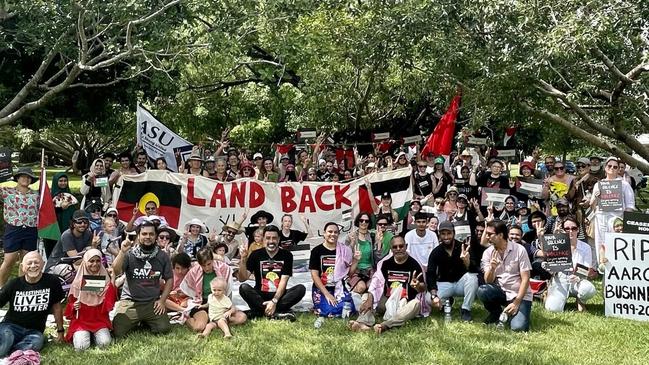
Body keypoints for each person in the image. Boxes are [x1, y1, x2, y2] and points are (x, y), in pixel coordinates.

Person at [349, 236, 429, 334]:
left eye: (401, 246)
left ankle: (385, 325)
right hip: (387, 302)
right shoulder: (386, 263)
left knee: (416, 304)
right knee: (367, 295)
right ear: (391, 249)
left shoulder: (415, 264)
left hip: (405, 304)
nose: (398, 249)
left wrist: (417, 286)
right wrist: (370, 299)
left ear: (406, 246)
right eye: (395, 247)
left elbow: (423, 288)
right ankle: (362, 322)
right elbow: (376, 282)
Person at [112, 222, 173, 338]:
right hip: (130, 302)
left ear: (155, 236)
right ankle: (138, 320)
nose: (148, 237)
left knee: (163, 329)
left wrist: (162, 301)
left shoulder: (162, 256)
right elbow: (116, 270)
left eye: (151, 234)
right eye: (144, 234)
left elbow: (169, 279)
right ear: (138, 236)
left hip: (151, 303)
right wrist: (122, 252)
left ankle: (144, 320)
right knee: (117, 332)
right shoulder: (129, 254)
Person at [0, 252, 65, 357]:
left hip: (34, 331)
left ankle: (11, 357)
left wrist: (60, 331)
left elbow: (57, 308)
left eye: (36, 262)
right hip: (10, 326)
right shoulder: (14, 284)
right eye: (29, 263)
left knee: (36, 343)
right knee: (7, 338)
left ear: (43, 264)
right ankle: (11, 354)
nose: (33, 266)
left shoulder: (52, 281)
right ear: (23, 266)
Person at [237, 225, 306, 320]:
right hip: (260, 295)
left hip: (279, 295)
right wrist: (243, 259)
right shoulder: (255, 254)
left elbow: (284, 281)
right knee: (243, 288)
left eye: (274, 238)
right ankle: (276, 313)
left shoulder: (287, 255)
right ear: (263, 240)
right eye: (268, 238)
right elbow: (242, 278)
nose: (271, 241)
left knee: (300, 289)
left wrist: (274, 301)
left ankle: (259, 312)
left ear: (278, 239)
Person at [477, 221, 533, 332]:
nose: (486, 237)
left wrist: (516, 303)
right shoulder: (488, 253)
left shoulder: (519, 250)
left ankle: (519, 312)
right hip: (501, 292)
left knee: (518, 328)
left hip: (519, 295)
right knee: (483, 290)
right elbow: (488, 281)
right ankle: (496, 313)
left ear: (501, 235)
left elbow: (526, 279)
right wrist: (492, 268)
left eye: (489, 234)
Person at [64, 249, 117, 351]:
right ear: (85, 262)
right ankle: (87, 336)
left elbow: (110, 303)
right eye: (91, 261)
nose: (95, 264)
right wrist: (74, 306)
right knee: (81, 347)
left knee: (105, 344)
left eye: (98, 261)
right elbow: (70, 306)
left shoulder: (105, 279)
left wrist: (113, 279)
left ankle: (94, 336)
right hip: (81, 322)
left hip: (99, 320)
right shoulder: (78, 282)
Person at [426, 221, 477, 322]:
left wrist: (466, 261)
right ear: (439, 235)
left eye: (449, 233)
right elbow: (431, 273)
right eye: (443, 234)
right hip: (445, 283)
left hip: (460, 283)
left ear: (454, 233)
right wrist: (433, 295)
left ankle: (466, 309)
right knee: (428, 299)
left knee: (473, 278)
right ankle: (446, 301)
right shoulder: (436, 252)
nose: (446, 237)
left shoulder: (464, 247)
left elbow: (475, 269)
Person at [544, 217, 597, 313]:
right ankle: (549, 292)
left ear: (578, 230)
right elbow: (551, 269)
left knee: (589, 289)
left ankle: (580, 301)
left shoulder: (586, 247)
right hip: (560, 281)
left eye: (574, 228)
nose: (570, 231)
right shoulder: (555, 246)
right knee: (552, 309)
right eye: (567, 229)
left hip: (578, 281)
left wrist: (579, 276)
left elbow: (586, 269)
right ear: (562, 230)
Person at [310, 222, 358, 325]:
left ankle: (326, 311)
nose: (333, 234)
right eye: (330, 232)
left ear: (338, 234)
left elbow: (349, 274)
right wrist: (327, 294)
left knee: (349, 309)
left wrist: (355, 261)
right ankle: (323, 309)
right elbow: (314, 275)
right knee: (327, 309)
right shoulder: (316, 251)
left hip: (339, 287)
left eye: (336, 232)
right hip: (322, 288)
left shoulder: (344, 250)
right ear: (324, 233)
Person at [590, 156, 635, 262]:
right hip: (601, 219)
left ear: (618, 169)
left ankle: (617, 268)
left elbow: (630, 205)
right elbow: (592, 206)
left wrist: (624, 221)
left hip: (617, 219)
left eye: (615, 167)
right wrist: (596, 197)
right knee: (601, 243)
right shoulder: (599, 184)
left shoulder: (624, 185)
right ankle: (603, 268)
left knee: (617, 244)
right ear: (605, 167)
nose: (612, 168)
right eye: (609, 166)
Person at [0, 168, 40, 287]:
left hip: (31, 229)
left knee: (26, 260)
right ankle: (1, 288)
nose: (26, 179)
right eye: (23, 176)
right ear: (17, 178)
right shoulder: (6, 191)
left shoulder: (36, 194)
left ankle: (21, 288)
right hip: (13, 229)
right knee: (9, 260)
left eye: (28, 177)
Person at [180, 248, 235, 333]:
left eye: (209, 264)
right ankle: (189, 320)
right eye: (203, 265)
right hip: (202, 302)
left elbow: (228, 289)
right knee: (199, 327)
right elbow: (187, 288)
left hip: (219, 301)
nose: (207, 268)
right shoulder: (194, 271)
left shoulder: (223, 268)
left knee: (241, 318)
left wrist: (227, 305)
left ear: (212, 260)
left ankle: (213, 322)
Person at [45, 210, 100, 280]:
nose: (83, 224)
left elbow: (90, 255)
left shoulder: (88, 234)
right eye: (79, 222)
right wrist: (92, 251)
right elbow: (76, 260)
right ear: (73, 224)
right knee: (78, 271)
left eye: (85, 222)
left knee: (96, 267)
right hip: (57, 265)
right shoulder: (67, 235)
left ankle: (93, 289)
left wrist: (94, 246)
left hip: (75, 264)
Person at [47, 172, 78, 257]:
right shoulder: (50, 196)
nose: (63, 183)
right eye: (60, 181)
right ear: (56, 182)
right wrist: (60, 208)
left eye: (65, 181)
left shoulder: (69, 194)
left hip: (67, 224)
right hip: (55, 226)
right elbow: (48, 212)